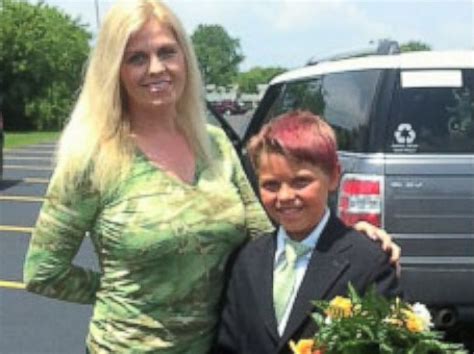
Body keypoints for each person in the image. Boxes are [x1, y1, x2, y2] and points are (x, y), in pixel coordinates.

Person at [23, 1, 399, 353]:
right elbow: (43, 272)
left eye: (167, 52)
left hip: (215, 344)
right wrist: (120, 293)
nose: (156, 68)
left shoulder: (214, 144)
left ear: (184, 58)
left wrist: (345, 241)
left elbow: (263, 234)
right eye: (137, 58)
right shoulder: (92, 157)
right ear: (114, 70)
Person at [216, 111, 402, 354]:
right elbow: (228, 345)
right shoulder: (248, 260)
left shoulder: (367, 261)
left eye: (301, 182)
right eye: (271, 185)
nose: (284, 197)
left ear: (334, 176)